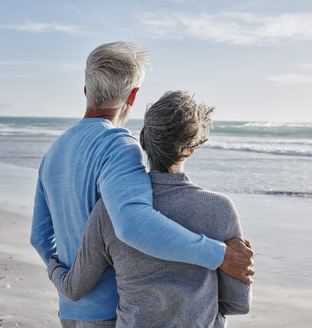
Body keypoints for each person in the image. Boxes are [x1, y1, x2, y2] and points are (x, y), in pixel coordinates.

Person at [30, 42, 254, 327]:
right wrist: (219, 254)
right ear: (133, 95)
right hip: (109, 311)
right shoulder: (119, 146)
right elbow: (132, 224)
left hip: (70, 308)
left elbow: (39, 236)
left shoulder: (55, 151)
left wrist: (58, 272)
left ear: (86, 90)